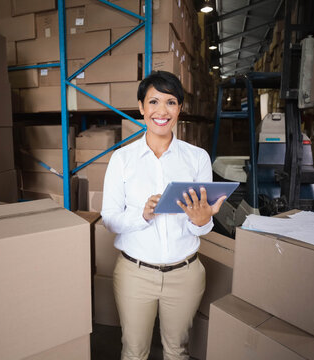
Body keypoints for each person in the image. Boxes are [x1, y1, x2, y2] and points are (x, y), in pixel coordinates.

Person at [101, 70, 226, 360]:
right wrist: (142, 215)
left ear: (179, 109)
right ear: (142, 108)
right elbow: (109, 218)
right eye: (153, 102)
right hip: (135, 274)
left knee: (177, 351)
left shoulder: (197, 158)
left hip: (185, 274)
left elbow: (200, 228)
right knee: (134, 352)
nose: (162, 111)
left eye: (170, 102)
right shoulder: (122, 159)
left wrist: (202, 220)